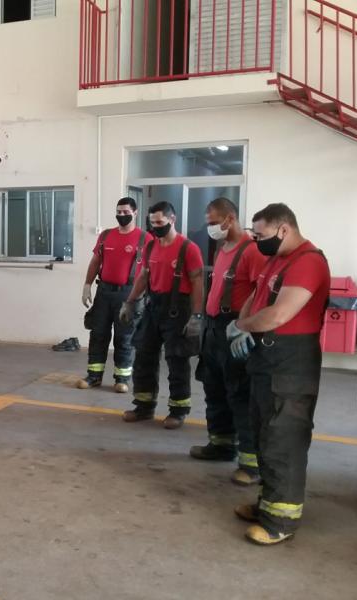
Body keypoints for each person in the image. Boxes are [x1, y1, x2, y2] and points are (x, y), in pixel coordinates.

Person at [228, 203, 330, 545]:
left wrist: (243, 326)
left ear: (283, 229)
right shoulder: (277, 259)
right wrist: (240, 324)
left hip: (291, 363)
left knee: (283, 439)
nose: (257, 241)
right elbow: (258, 296)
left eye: (261, 235)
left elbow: (278, 314)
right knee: (263, 434)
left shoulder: (308, 262)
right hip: (266, 360)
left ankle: (281, 522)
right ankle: (267, 504)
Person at [189, 198, 266, 485]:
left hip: (233, 329)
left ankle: (250, 462)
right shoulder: (223, 249)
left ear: (229, 219)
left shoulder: (253, 251)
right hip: (213, 330)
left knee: (240, 394)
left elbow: (262, 292)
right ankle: (221, 444)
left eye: (212, 222)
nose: (209, 227)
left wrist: (246, 327)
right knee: (215, 389)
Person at [119, 201, 204, 429]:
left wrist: (196, 315)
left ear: (172, 220)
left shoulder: (188, 248)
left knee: (176, 360)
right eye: (152, 222)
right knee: (144, 357)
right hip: (153, 306)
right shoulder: (150, 247)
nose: (155, 226)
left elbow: (197, 282)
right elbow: (144, 277)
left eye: (160, 222)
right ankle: (144, 407)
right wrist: (129, 302)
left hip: (178, 309)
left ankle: (178, 410)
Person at [78, 197, 151, 392]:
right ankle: (94, 376)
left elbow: (152, 269)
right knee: (98, 334)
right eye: (119, 212)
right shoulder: (105, 236)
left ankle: (122, 379)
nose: (122, 216)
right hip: (104, 293)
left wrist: (144, 297)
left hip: (128, 295)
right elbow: (95, 262)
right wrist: (87, 285)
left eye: (126, 213)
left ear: (135, 213)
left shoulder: (146, 239)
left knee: (124, 337)